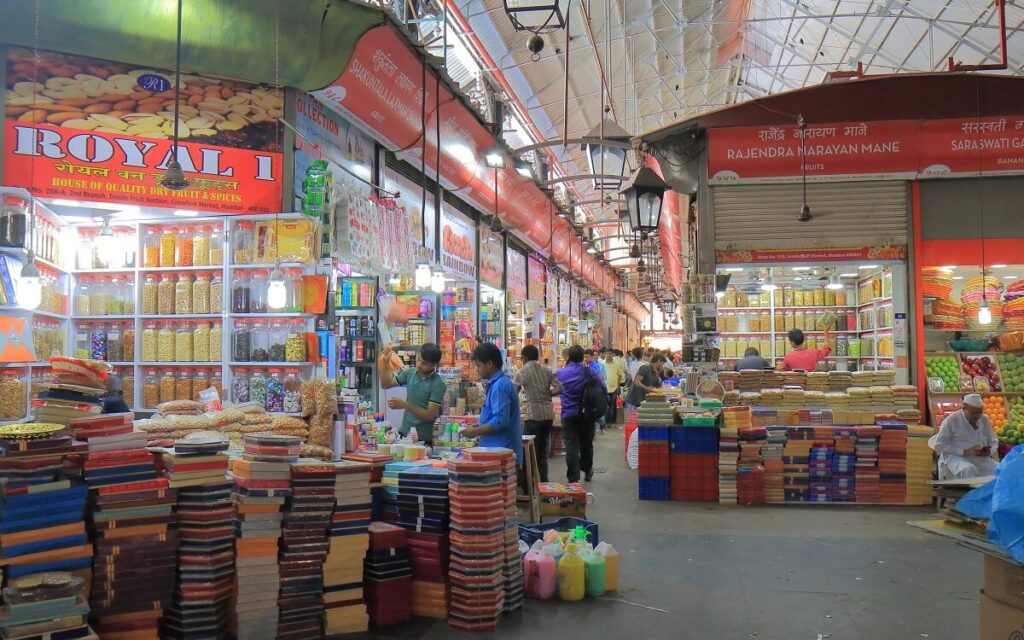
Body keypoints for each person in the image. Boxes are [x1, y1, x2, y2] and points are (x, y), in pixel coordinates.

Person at [463, 343, 523, 464]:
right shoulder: (496, 383)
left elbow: (500, 421)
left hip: (501, 452)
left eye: (478, 365)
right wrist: (479, 425)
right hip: (495, 450)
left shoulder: (500, 386)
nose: (477, 369)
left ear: (489, 364)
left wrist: (475, 432)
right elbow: (494, 417)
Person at [513, 344, 563, 483]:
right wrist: (548, 394)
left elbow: (513, 390)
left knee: (527, 453)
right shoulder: (546, 369)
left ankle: (527, 486)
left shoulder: (523, 371)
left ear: (523, 357)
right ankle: (544, 484)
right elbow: (560, 387)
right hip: (548, 415)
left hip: (533, 415)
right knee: (541, 452)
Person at [379, 343, 447, 445]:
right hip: (404, 433)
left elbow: (429, 415)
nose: (419, 364)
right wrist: (385, 362)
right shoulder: (411, 373)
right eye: (418, 359)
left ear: (433, 365)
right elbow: (385, 384)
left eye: (423, 363)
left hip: (423, 439)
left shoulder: (438, 384)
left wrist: (405, 405)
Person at [556, 345, 605, 483]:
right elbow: (603, 388)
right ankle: (588, 470)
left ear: (569, 357)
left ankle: (573, 477)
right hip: (587, 414)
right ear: (582, 356)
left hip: (568, 414)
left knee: (571, 445)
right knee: (586, 443)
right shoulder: (590, 372)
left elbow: (554, 389)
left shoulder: (561, 373)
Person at [933, 393, 999, 479]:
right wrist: (963, 451)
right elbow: (939, 446)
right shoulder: (951, 420)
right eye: (973, 413)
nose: (977, 416)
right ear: (964, 408)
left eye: (979, 413)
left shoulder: (984, 419)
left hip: (980, 459)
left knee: (1000, 469)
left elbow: (994, 441)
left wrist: (989, 452)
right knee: (968, 469)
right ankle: (968, 492)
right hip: (956, 458)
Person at [603, 348, 626, 426]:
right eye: (607, 353)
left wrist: (618, 385)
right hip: (605, 388)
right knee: (606, 406)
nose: (608, 355)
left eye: (610, 353)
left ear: (613, 354)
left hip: (614, 388)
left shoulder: (616, 363)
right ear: (605, 354)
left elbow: (620, 375)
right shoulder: (602, 364)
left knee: (612, 405)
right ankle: (606, 421)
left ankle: (611, 421)